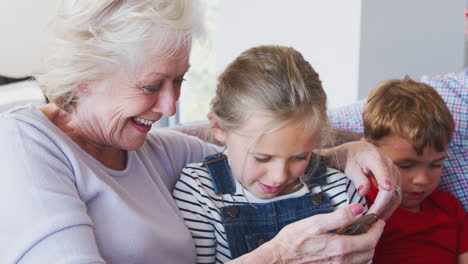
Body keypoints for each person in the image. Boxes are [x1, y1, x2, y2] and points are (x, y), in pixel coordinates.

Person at [0, 0, 400, 263]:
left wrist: (343, 153)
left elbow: (250, 152)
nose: (169, 107)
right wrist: (277, 256)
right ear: (85, 76)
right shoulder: (24, 145)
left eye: (180, 82)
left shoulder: (155, 151)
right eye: (151, 86)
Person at [173, 45, 375, 263]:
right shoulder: (200, 191)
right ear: (219, 128)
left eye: (299, 157)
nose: (279, 176)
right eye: (262, 157)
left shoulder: (338, 188)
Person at [361, 77, 468, 263]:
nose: (422, 179)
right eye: (406, 166)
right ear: (367, 153)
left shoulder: (450, 208)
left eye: (435, 164)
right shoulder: (360, 205)